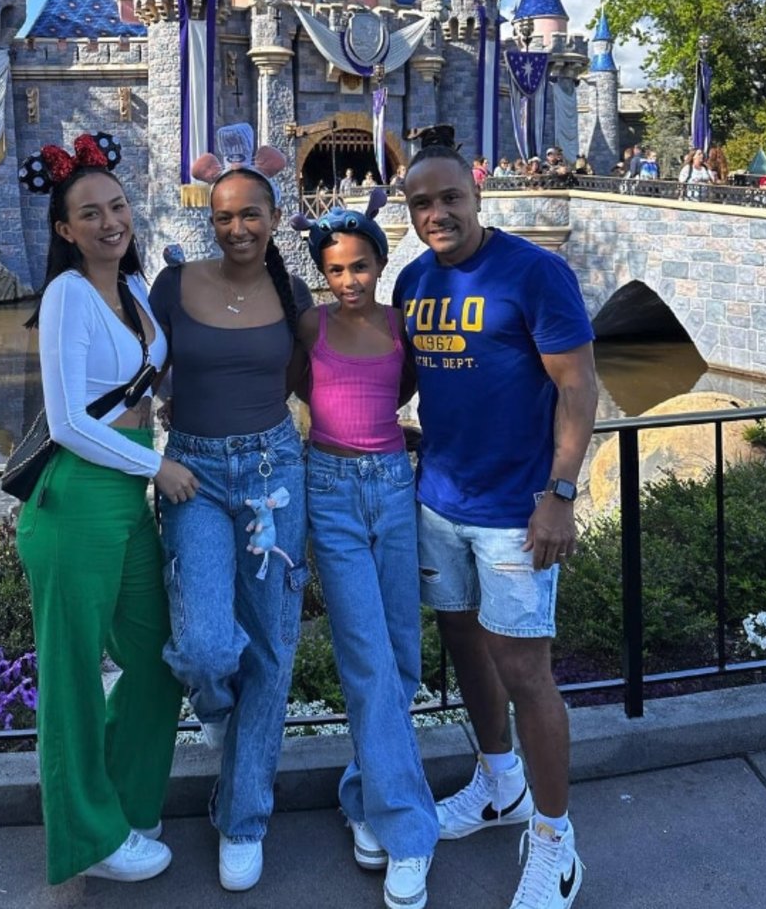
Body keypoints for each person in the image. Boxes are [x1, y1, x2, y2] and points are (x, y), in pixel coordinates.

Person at [395, 128, 597, 909]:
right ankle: (498, 780)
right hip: (439, 500)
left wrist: (561, 492)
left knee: (524, 669)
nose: (437, 212)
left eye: (450, 197)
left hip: (517, 510)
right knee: (465, 645)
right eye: (422, 202)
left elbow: (579, 389)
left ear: (477, 196)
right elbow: (403, 376)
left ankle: (555, 839)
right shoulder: (414, 282)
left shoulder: (534, 273)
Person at [15, 132, 193, 887]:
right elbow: (67, 421)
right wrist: (159, 463)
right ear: (64, 229)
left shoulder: (139, 289)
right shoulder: (65, 296)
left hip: (125, 496)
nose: (109, 221)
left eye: (116, 205)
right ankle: (89, 833)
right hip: (75, 497)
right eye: (89, 213)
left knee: (158, 656)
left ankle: (122, 797)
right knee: (72, 675)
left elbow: (157, 383)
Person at [149, 124, 312, 894]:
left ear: (275, 219)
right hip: (195, 475)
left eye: (252, 214)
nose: (238, 227)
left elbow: (326, 377)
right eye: (224, 216)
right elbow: (134, 375)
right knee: (211, 648)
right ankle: (219, 712)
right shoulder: (173, 287)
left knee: (273, 653)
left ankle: (242, 813)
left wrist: (391, 430)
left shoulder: (292, 292)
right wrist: (153, 452)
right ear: (208, 221)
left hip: (276, 469)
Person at [293, 191, 437, 909]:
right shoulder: (309, 325)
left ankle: (363, 791)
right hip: (330, 486)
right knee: (366, 655)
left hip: (391, 483)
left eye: (358, 266)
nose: (347, 279)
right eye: (334, 268)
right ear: (322, 273)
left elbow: (402, 390)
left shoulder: (398, 324)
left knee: (402, 654)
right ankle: (409, 829)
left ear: (380, 263)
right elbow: (298, 388)